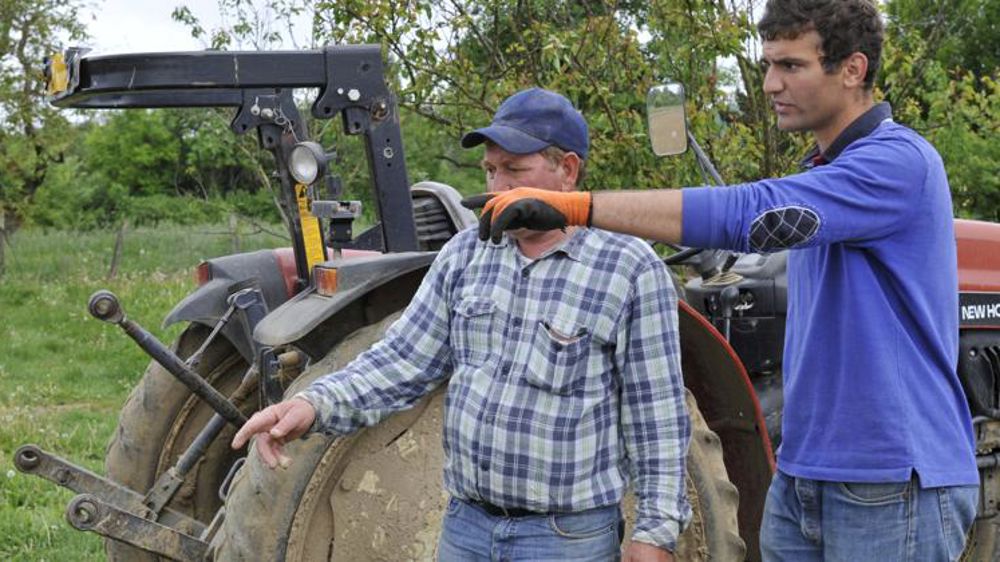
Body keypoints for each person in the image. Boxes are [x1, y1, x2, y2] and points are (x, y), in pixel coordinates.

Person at [464, 1, 980, 560]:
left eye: (790, 66)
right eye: (768, 65)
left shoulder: (897, 164)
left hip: (890, 478)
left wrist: (573, 207)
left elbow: (755, 212)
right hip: (805, 470)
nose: (769, 84)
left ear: (852, 69)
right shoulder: (826, 173)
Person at [232, 87, 692, 562]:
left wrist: (655, 533)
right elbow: (401, 360)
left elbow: (655, 415)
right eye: (491, 170)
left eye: (514, 170)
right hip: (466, 528)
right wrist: (311, 404)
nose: (496, 187)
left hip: (564, 539)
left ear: (568, 170)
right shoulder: (467, 254)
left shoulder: (629, 269)